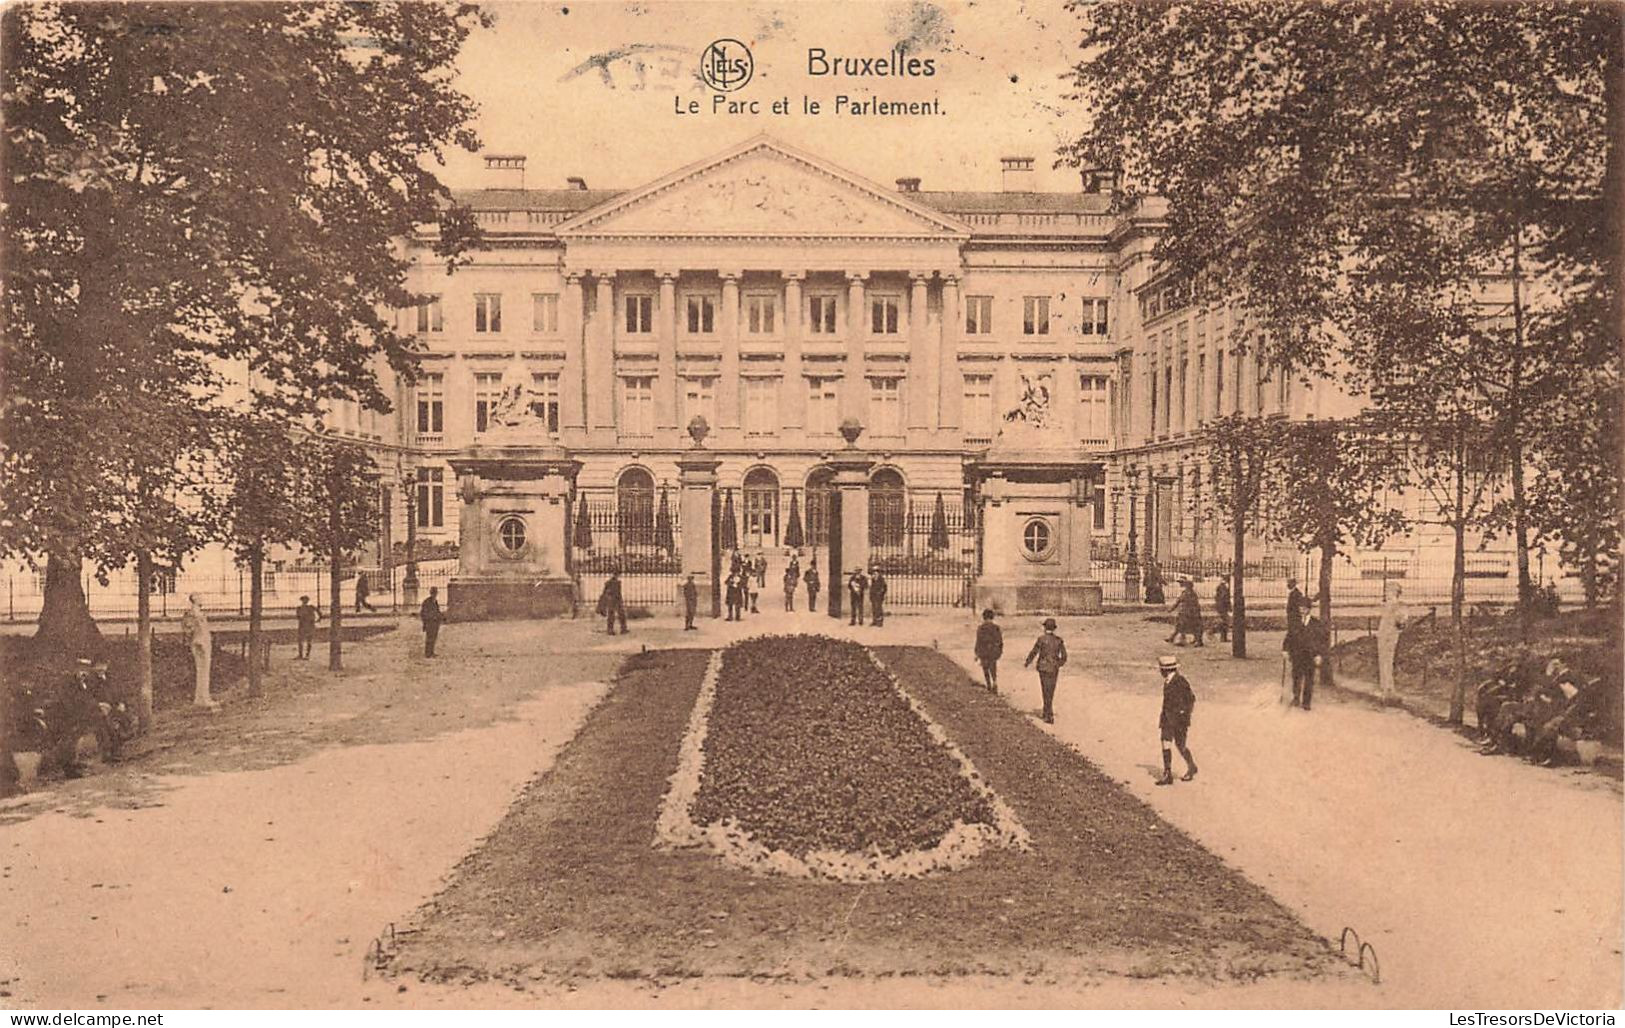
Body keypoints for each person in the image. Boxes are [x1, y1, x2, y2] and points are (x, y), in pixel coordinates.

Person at [1154, 655, 1198, 785]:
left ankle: (1191, 767)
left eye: (1161, 669)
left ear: (1166, 670)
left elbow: (1191, 699)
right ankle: (1168, 774)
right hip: (1167, 718)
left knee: (1180, 745)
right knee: (1165, 742)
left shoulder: (1181, 681)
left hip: (1179, 720)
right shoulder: (1168, 681)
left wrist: (1184, 713)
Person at [1023, 617, 1068, 724]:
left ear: (1044, 628)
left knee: (1045, 689)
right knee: (1051, 690)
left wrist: (1027, 662)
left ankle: (1047, 712)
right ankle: (1048, 712)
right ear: (1054, 629)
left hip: (1043, 668)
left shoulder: (1041, 639)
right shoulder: (1058, 640)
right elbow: (1064, 656)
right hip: (1053, 668)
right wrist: (1058, 664)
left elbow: (1034, 652)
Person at [1287, 611, 1329, 709]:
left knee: (1309, 679)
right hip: (1297, 655)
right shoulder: (1295, 622)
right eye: (1300, 608)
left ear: (1309, 609)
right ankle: (1296, 698)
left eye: (1304, 608)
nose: (1302, 610)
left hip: (1310, 655)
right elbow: (1289, 637)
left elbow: (1321, 640)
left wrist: (1319, 654)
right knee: (1296, 677)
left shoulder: (1316, 623)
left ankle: (1306, 702)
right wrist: (1285, 649)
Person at [181, 594, 216, 708]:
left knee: (204, 671)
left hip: (203, 642)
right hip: (200, 643)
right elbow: (188, 629)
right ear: (195, 599)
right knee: (202, 671)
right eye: (199, 597)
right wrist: (197, 640)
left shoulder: (198, 613)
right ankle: (202, 698)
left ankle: (202, 697)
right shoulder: (192, 614)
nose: (202, 598)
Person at [1376, 586, 1406, 700]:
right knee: (1383, 662)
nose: (1386, 594)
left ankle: (1389, 690)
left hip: (1390, 637)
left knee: (1388, 662)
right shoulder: (1386, 606)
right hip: (1383, 636)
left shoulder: (1399, 606)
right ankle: (1385, 688)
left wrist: (1395, 629)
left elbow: (1401, 623)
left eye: (1388, 591)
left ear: (1395, 592)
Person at [974, 608, 1003, 692]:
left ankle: (988, 684)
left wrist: (976, 653)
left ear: (983, 617)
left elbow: (978, 641)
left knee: (985, 668)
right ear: (992, 617)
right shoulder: (996, 627)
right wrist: (999, 651)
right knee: (993, 667)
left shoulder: (981, 628)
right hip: (993, 651)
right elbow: (999, 640)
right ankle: (994, 682)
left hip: (984, 651)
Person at [1168, 578, 1204, 647]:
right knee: (1181, 626)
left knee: (1189, 627)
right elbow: (1179, 601)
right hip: (1185, 612)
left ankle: (1195, 641)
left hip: (1189, 613)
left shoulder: (1190, 593)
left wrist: (1172, 609)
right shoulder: (1188, 593)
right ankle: (1174, 638)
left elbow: (1181, 601)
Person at [598, 570, 628, 635]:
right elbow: (618, 593)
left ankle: (612, 629)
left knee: (614, 614)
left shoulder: (609, 582)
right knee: (619, 614)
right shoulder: (616, 583)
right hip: (615, 599)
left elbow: (605, 592)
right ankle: (621, 629)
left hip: (612, 599)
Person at [419, 586, 445, 657]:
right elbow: (423, 613)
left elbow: (437, 611)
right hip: (430, 622)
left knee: (433, 637)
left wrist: (440, 617)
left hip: (435, 622)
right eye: (433, 593)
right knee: (429, 638)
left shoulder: (435, 601)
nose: (434, 595)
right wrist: (425, 622)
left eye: (435, 593)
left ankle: (431, 652)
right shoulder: (427, 602)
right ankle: (428, 653)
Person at [294, 595, 322, 660]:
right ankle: (301, 655)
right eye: (303, 600)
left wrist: (318, 620)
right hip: (303, 626)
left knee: (308, 640)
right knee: (301, 640)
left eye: (305, 600)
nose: (304, 602)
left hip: (309, 625)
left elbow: (320, 613)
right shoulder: (299, 608)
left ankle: (307, 655)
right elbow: (298, 617)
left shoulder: (311, 607)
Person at [1214, 577, 1232, 642]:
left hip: (1220, 607)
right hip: (1223, 607)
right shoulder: (1223, 587)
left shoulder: (1221, 587)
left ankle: (1223, 637)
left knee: (1224, 622)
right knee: (1225, 622)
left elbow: (1217, 597)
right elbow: (1225, 598)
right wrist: (1229, 607)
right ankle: (1213, 632)